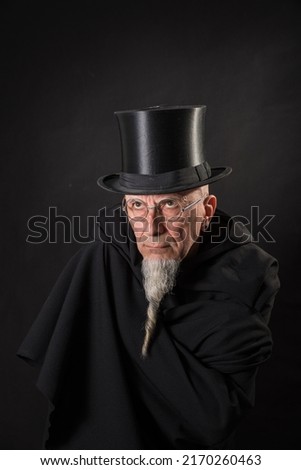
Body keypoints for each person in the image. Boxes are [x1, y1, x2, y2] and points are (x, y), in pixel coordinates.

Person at [18, 105, 280, 450]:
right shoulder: (100, 262)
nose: (151, 227)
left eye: (170, 205)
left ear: (207, 210)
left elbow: (214, 415)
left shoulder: (250, 275)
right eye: (137, 206)